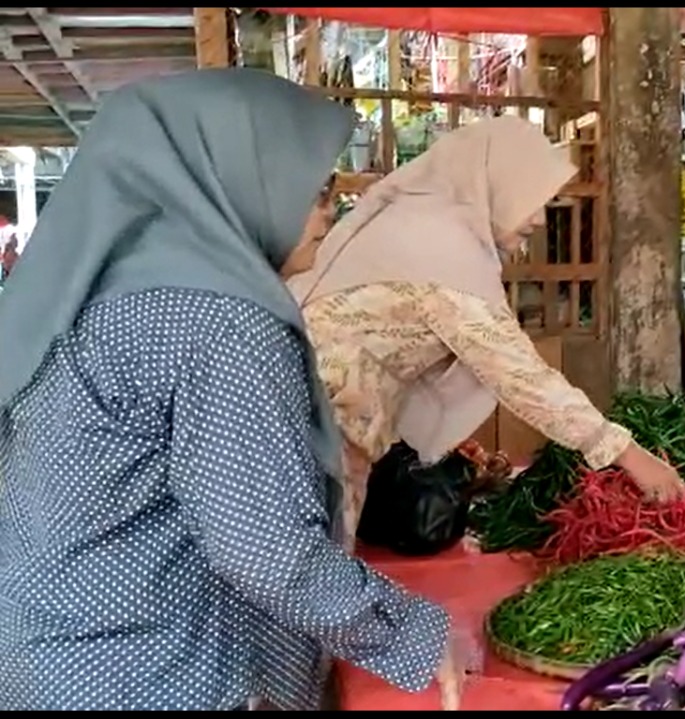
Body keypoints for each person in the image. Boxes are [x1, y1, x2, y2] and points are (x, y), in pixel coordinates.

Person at [0, 69, 460, 710]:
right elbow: (265, 547)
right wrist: (412, 634)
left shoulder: (100, 288)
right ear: (242, 177)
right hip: (144, 674)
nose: (329, 208)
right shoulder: (218, 319)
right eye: (317, 187)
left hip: (49, 653)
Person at [289, 116, 685, 548]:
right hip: (313, 423)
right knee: (304, 573)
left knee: (311, 566)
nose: (536, 219)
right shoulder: (439, 243)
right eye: (531, 199)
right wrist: (627, 454)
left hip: (318, 416)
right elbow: (518, 374)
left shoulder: (427, 219)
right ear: (495, 183)